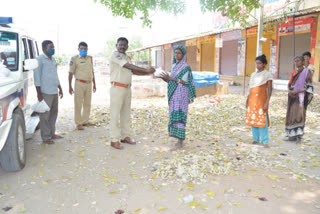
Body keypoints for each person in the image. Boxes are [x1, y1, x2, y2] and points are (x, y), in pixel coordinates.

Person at [109, 37, 155, 150]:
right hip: (117, 88)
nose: (122, 47)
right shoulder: (115, 55)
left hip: (127, 88)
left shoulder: (125, 57)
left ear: (127, 47)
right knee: (115, 115)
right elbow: (128, 66)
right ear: (116, 45)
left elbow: (133, 70)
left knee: (126, 113)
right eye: (120, 45)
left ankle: (125, 136)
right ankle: (114, 139)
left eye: (124, 45)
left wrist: (148, 73)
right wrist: (146, 69)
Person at [160, 46, 196, 150]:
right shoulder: (175, 66)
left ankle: (180, 142)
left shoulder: (185, 67)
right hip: (174, 94)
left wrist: (170, 78)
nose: (176, 55)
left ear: (183, 55)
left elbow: (183, 82)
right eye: (175, 53)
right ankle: (177, 139)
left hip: (182, 94)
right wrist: (165, 78)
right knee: (174, 115)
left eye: (179, 53)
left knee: (180, 115)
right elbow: (173, 80)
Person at [34, 40, 63, 144]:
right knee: (45, 115)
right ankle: (45, 137)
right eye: (50, 47)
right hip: (45, 92)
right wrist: (39, 93)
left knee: (53, 114)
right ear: (44, 49)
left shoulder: (53, 60)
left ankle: (52, 133)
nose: (53, 49)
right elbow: (36, 77)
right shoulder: (39, 60)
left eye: (53, 47)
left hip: (54, 91)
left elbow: (55, 75)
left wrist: (60, 88)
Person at [245, 54, 273, 148]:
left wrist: (267, 101)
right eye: (256, 63)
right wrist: (247, 99)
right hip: (252, 99)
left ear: (264, 64)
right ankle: (255, 139)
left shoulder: (267, 74)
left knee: (262, 119)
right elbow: (250, 87)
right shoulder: (253, 74)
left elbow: (270, 88)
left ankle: (265, 140)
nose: (257, 65)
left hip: (261, 99)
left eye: (259, 63)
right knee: (253, 118)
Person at [68, 42, 96, 130]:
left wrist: (94, 84)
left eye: (85, 49)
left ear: (87, 49)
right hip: (79, 83)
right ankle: (78, 123)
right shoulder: (74, 58)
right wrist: (69, 86)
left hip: (89, 83)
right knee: (78, 104)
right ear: (78, 49)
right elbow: (70, 73)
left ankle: (85, 121)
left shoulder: (90, 58)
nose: (83, 50)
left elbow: (92, 71)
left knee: (87, 103)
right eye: (81, 49)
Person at [285, 56, 313, 143]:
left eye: (298, 61)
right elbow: (290, 84)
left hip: (301, 97)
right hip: (292, 97)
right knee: (291, 115)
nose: (297, 63)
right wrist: (290, 91)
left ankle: (299, 137)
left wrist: (296, 91)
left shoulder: (307, 72)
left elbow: (308, 86)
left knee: (299, 115)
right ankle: (291, 136)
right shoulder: (294, 72)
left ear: (303, 62)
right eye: (295, 61)